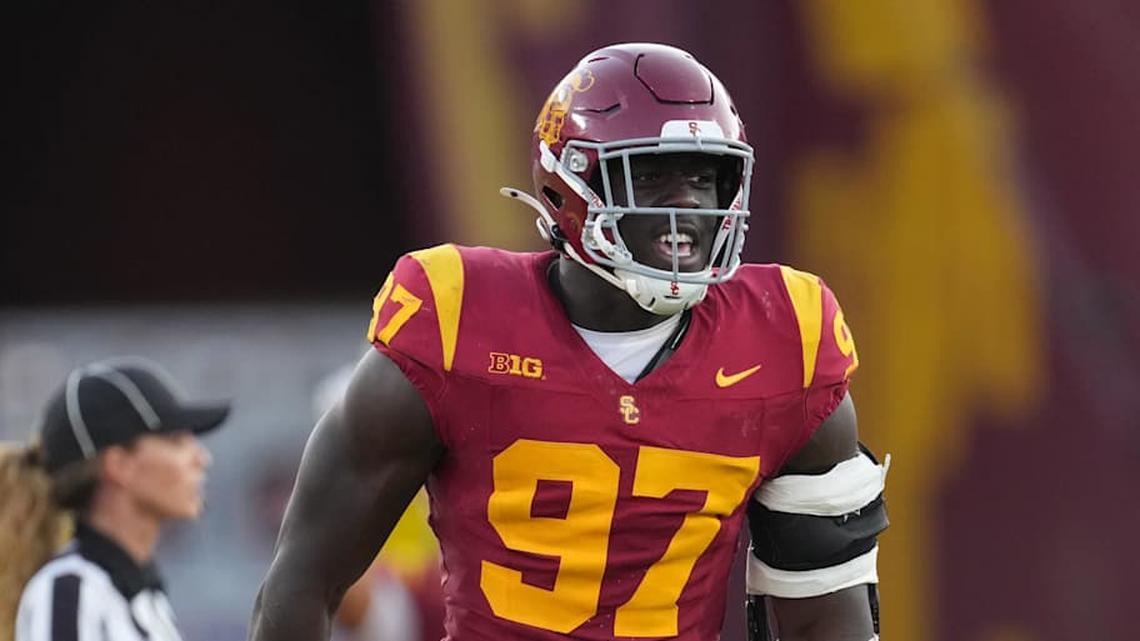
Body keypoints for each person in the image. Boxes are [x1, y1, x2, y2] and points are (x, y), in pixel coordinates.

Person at [250, 42, 888, 641]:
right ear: (566, 187)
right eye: (654, 177)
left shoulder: (785, 340)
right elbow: (304, 580)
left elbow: (828, 616)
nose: (687, 207)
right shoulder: (454, 320)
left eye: (705, 179)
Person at [0, 357, 229, 641]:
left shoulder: (141, 595)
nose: (201, 458)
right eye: (175, 440)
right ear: (119, 465)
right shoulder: (71, 591)